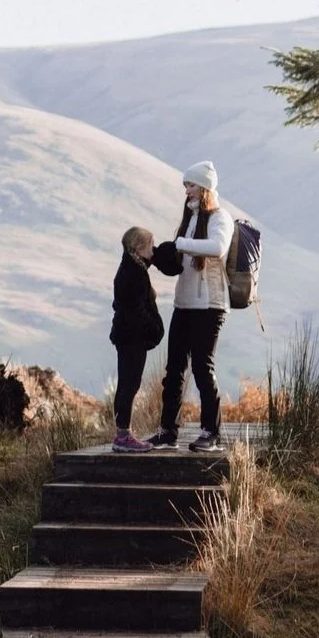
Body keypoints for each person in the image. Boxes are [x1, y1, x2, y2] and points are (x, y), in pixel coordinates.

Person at [151, 161, 234, 453]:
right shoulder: (189, 218)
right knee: (174, 370)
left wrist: (181, 243)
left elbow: (218, 248)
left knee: (202, 367)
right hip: (183, 304)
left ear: (206, 188)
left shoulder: (219, 217)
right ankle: (167, 432)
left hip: (210, 306)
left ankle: (211, 432)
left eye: (191, 185)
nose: (187, 190)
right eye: (186, 185)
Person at [107, 226, 165, 454]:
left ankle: (122, 432)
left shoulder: (131, 268)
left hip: (127, 336)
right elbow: (135, 310)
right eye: (151, 245)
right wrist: (152, 328)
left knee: (126, 382)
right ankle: (123, 435)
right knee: (130, 383)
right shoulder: (133, 273)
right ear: (140, 247)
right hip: (133, 337)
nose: (154, 249)